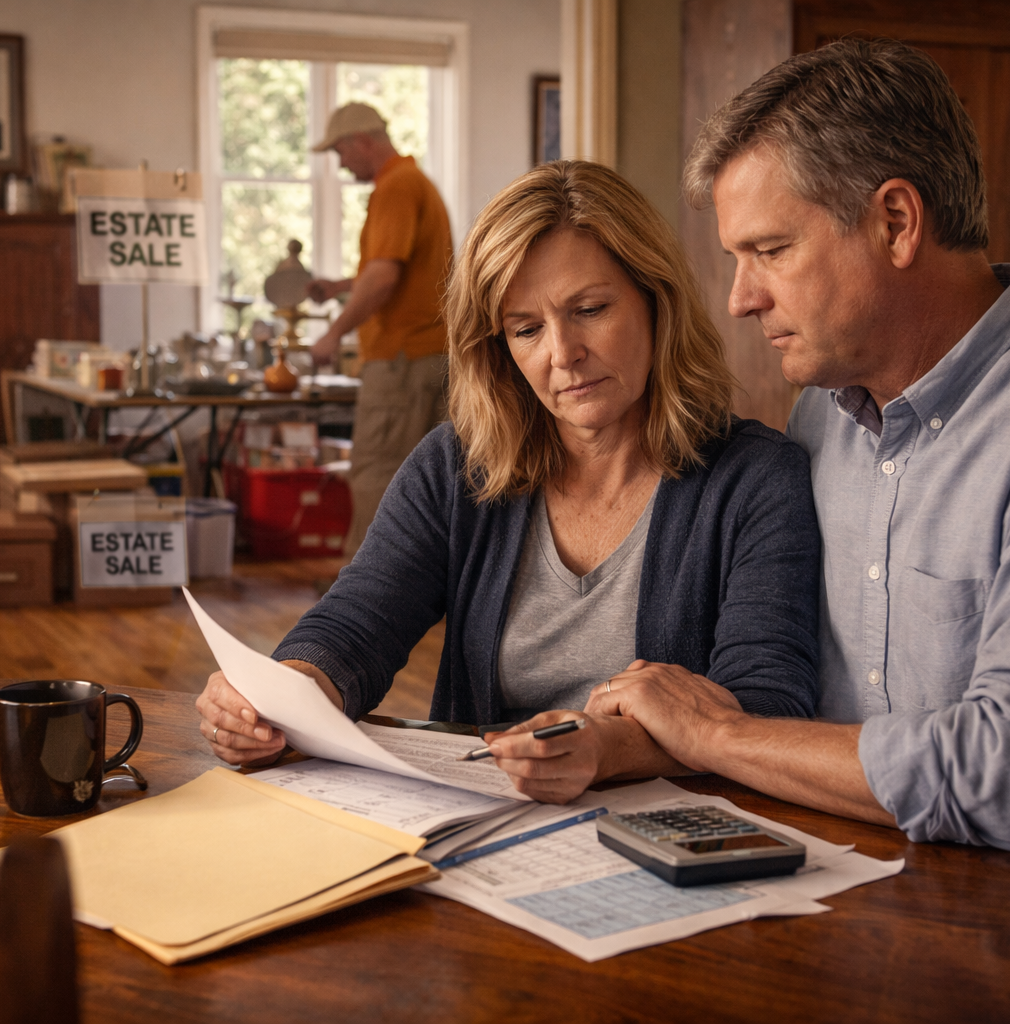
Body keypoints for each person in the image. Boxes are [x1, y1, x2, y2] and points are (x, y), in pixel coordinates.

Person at [592, 38, 1010, 852]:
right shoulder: (820, 419)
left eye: (770, 251)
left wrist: (716, 734)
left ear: (896, 222)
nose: (741, 298)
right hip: (855, 895)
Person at [198, 161, 822, 802]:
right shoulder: (455, 468)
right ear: (500, 349)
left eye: (590, 309)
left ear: (656, 301)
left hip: (681, 837)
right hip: (479, 824)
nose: (562, 353)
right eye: (526, 329)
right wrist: (279, 697)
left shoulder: (756, 480)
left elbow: (767, 706)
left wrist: (608, 750)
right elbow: (357, 625)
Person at [305, 103, 453, 555]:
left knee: (376, 476)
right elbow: (399, 271)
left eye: (340, 151)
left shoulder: (394, 188)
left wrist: (334, 334)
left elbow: (384, 278)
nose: (341, 162)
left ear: (364, 141)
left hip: (400, 362)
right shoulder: (417, 183)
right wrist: (342, 287)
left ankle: (363, 605)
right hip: (432, 355)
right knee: (432, 484)